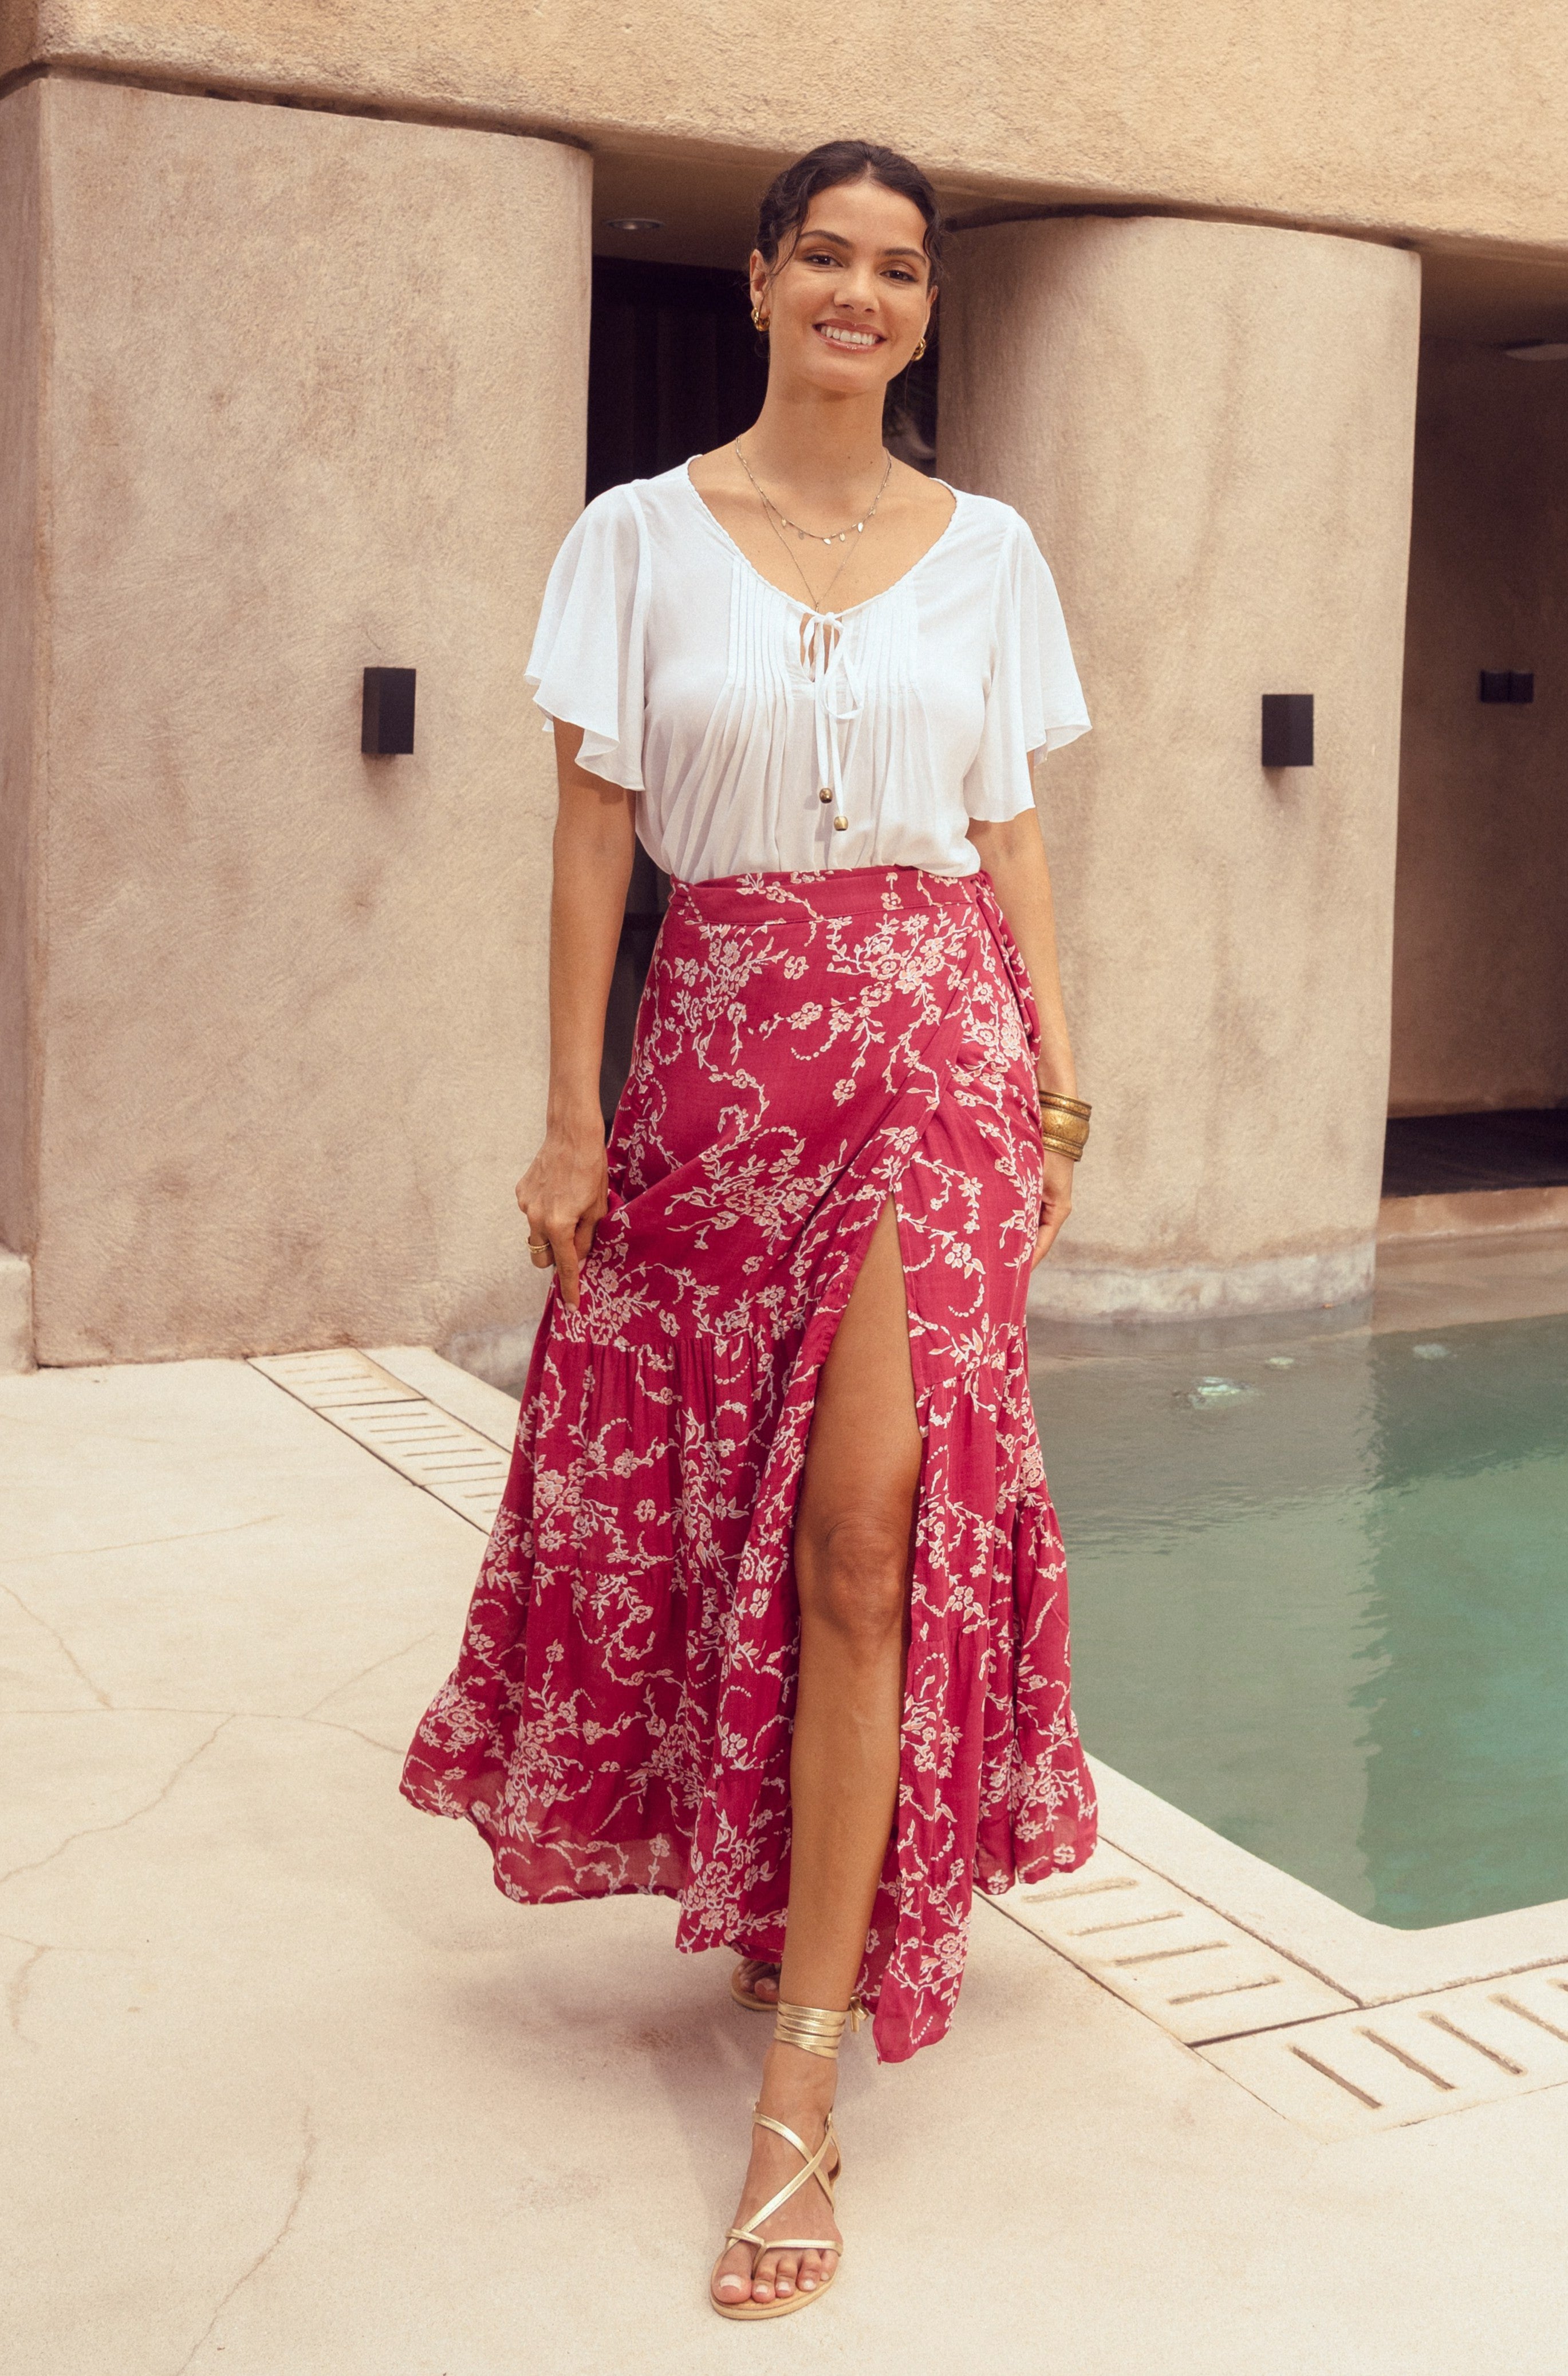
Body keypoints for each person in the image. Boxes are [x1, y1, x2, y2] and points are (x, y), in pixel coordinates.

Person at [401, 137, 1098, 2320]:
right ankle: (780, 1878)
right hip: (714, 1053)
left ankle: (799, 2085)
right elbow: (589, 837)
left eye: (899, 269)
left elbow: (1008, 830)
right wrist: (567, 1113)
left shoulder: (987, 551)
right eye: (830, 256)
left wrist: (1060, 1079)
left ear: (922, 307)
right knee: (732, 1500)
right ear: (761, 275)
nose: (862, 295)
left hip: (937, 1055)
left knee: (865, 1534)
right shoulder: (634, 538)